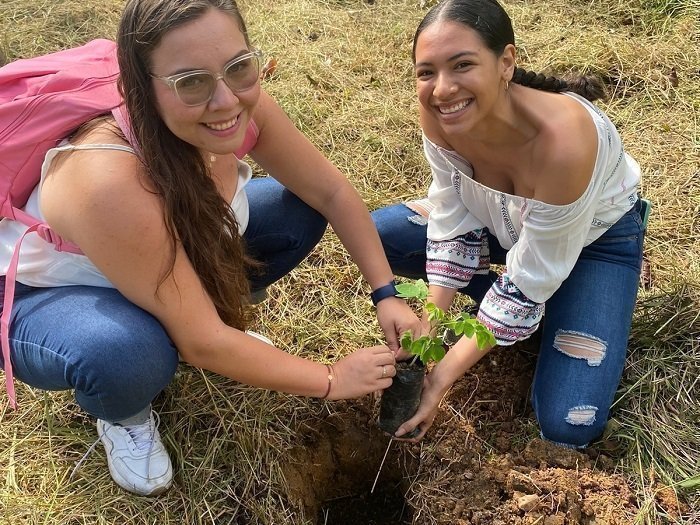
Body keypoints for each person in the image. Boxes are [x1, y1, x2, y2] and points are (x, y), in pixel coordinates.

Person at [0, 0, 421, 496]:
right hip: (46, 292)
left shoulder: (238, 100)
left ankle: (193, 328)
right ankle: (124, 412)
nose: (225, 101)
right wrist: (329, 378)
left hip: (155, 257)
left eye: (239, 68)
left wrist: (386, 292)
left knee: (295, 213)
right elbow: (202, 341)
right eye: (191, 82)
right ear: (143, 87)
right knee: (129, 353)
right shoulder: (106, 180)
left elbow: (328, 191)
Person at [372, 0, 645, 449]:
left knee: (568, 424)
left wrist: (440, 379)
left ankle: (554, 309)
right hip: (501, 228)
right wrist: (431, 326)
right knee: (380, 236)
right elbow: (453, 218)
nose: (442, 89)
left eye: (462, 65)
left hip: (594, 245)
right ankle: (516, 319)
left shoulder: (563, 142)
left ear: (506, 62)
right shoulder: (441, 114)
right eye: (426, 72)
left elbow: (530, 275)